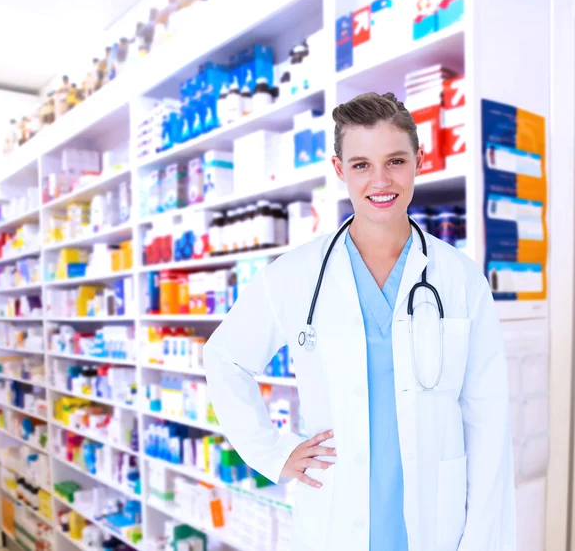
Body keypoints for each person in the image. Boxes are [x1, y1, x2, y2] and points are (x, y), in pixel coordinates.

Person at [204, 92, 516, 551]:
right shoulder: (295, 274)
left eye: (395, 160)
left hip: (436, 521)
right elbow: (224, 357)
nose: (381, 180)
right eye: (361, 165)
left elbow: (489, 422)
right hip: (335, 517)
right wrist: (273, 450)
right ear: (338, 170)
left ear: (418, 162)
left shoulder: (461, 279)